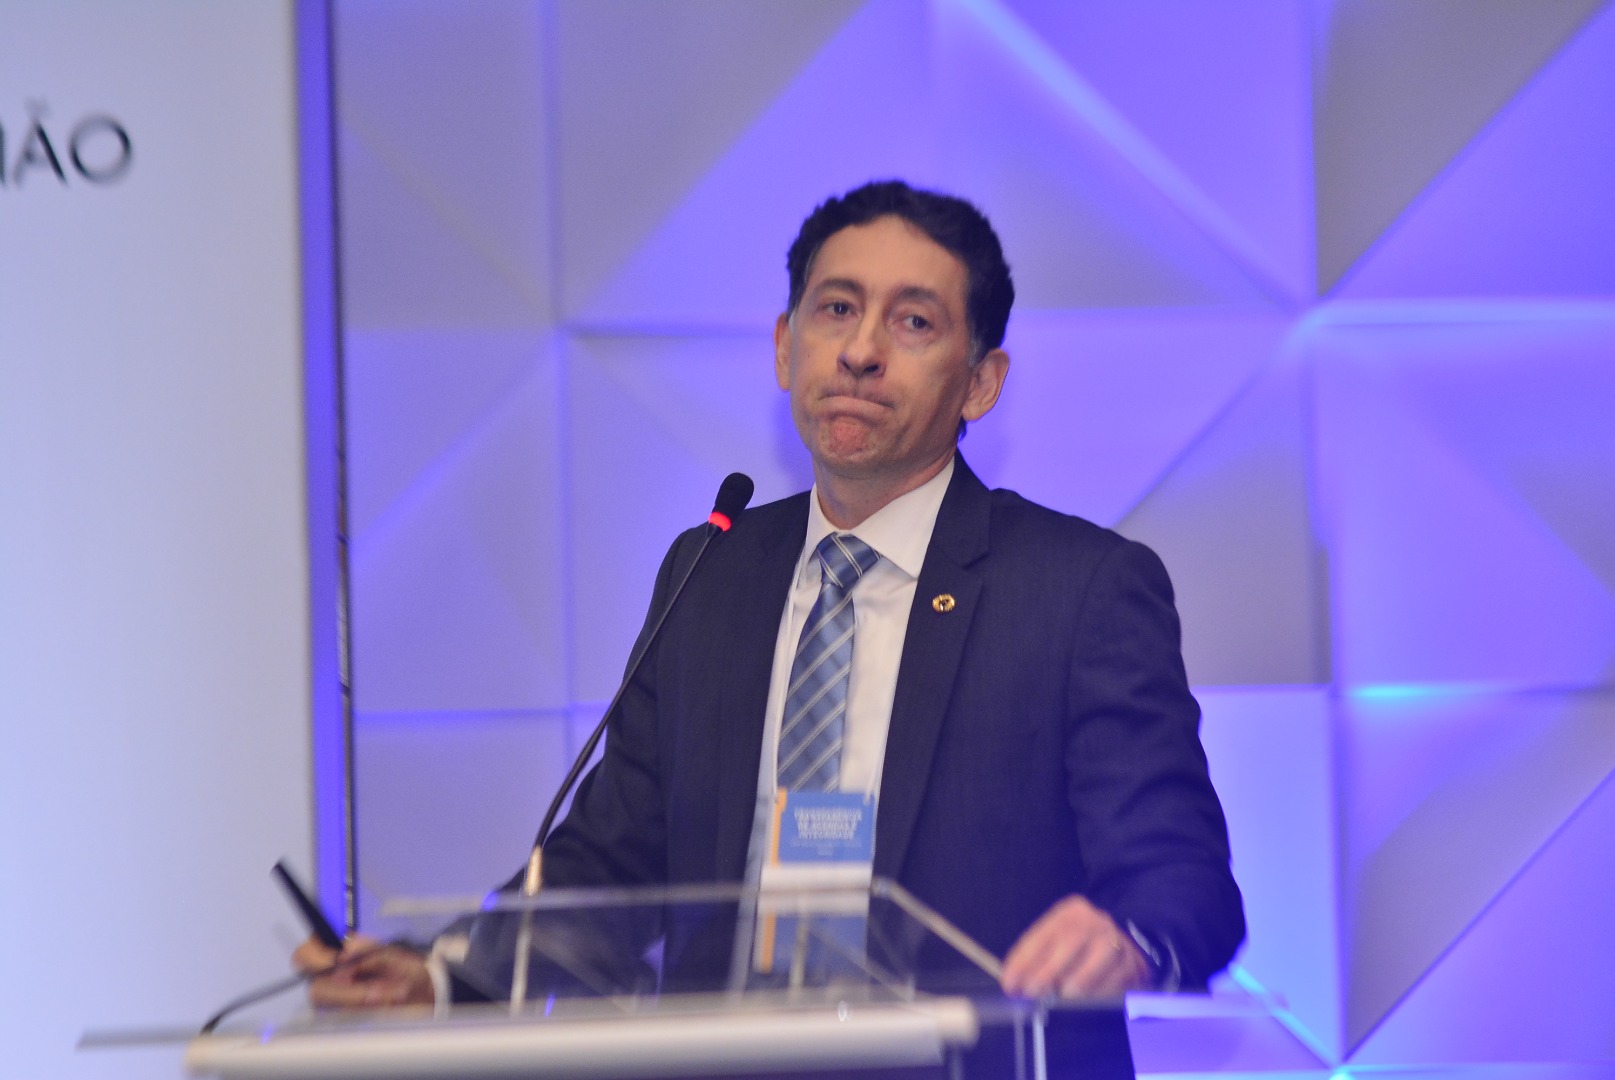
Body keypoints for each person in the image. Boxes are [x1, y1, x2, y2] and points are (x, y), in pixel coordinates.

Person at [296, 180, 1244, 1077]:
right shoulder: (711, 570)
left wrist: (1126, 938)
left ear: (980, 382)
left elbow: (1185, 881)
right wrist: (442, 978)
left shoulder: (1077, 589)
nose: (860, 351)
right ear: (786, 347)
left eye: (913, 322)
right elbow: (611, 864)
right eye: (836, 309)